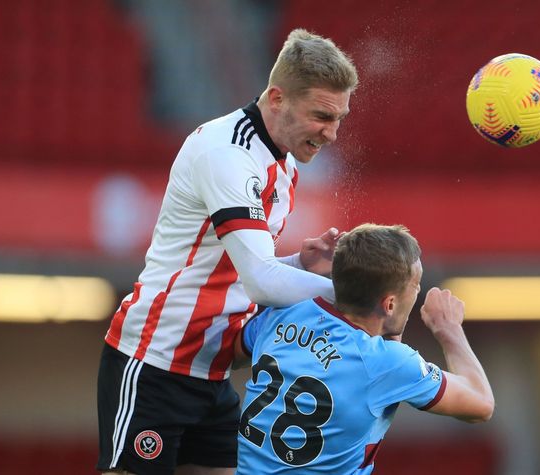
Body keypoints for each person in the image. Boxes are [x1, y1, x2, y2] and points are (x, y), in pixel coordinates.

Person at [96, 29, 358, 475]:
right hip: (155, 363)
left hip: (213, 372)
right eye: (321, 116)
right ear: (277, 98)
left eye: (339, 118)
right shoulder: (228, 153)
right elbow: (261, 281)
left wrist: (299, 264)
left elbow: (240, 270)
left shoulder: (285, 161)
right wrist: (353, 294)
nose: (332, 133)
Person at [234, 224, 495, 474]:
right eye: (415, 285)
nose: (417, 292)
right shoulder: (387, 362)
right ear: (389, 304)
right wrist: (448, 329)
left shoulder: (284, 312)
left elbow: (232, 354)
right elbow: (481, 405)